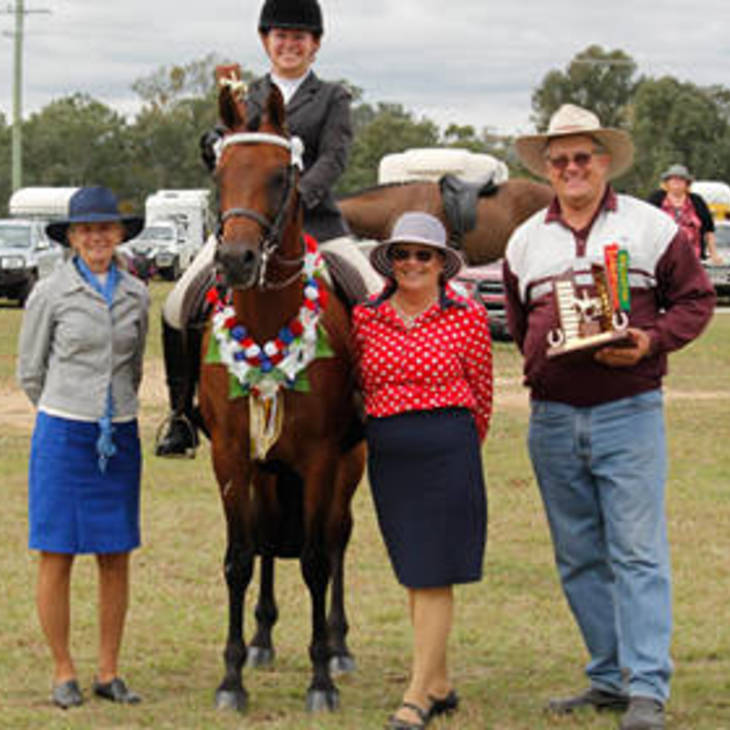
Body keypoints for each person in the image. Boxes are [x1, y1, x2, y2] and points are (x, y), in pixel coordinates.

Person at [503, 104, 716, 730]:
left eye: (582, 158)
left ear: (604, 162)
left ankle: (646, 686)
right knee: (577, 555)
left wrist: (651, 342)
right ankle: (608, 676)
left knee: (637, 553)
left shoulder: (651, 227)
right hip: (552, 418)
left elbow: (696, 299)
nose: (571, 168)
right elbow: (519, 322)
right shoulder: (525, 240)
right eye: (560, 160)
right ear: (547, 168)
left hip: (629, 412)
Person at [155, 0, 381, 457]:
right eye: (281, 36)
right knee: (178, 304)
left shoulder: (332, 97)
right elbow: (225, 158)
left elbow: (334, 157)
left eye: (299, 37)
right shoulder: (244, 94)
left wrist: (298, 198)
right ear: (265, 41)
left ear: (315, 44)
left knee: (374, 298)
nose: (289, 44)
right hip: (249, 229)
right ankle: (180, 415)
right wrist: (212, 144)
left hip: (317, 225)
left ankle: (371, 407)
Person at [352, 212, 492, 729]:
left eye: (423, 255)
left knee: (434, 573)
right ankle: (440, 681)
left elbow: (482, 391)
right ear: (390, 261)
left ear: (441, 263)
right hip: (390, 451)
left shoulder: (467, 316)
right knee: (414, 570)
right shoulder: (366, 317)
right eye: (402, 254)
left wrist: (460, 446)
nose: (412, 263)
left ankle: (417, 696)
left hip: (447, 446)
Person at [17, 186, 149, 709]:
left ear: (119, 234)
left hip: (119, 436)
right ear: (71, 238)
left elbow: (133, 367)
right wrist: (69, 407)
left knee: (115, 553)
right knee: (58, 552)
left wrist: (114, 410)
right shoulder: (50, 292)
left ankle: (109, 671)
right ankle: (63, 670)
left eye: (105, 228)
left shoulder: (137, 293)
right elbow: (31, 371)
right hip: (64, 435)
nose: (97, 237)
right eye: (86, 230)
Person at [648, 164, 723, 263]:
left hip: (693, 258)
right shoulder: (656, 199)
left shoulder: (697, 200)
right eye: (673, 179)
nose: (676, 182)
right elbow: (646, 225)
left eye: (681, 179)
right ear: (667, 182)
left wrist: (714, 254)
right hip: (662, 258)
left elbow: (709, 230)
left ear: (687, 183)